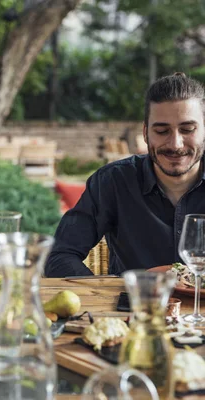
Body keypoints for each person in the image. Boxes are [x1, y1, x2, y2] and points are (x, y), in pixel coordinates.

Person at [45, 72, 205, 277]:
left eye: (188, 129)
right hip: (131, 306)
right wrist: (104, 295)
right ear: (146, 133)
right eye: (162, 131)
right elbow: (59, 255)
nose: (175, 144)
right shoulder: (112, 181)